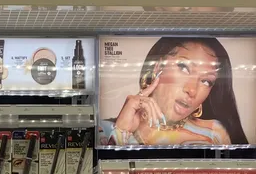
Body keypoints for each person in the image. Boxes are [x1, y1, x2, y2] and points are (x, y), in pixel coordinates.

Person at [100, 37, 247, 145]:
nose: (191, 90)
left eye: (206, 81)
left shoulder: (215, 133)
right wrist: (121, 131)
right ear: (158, 67)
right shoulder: (105, 130)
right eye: (183, 68)